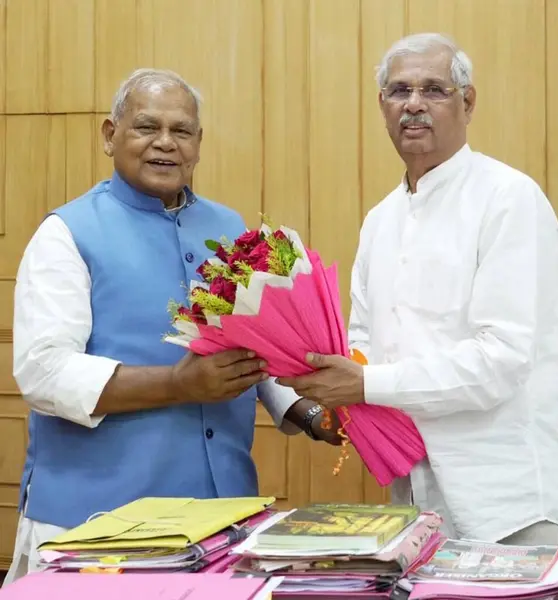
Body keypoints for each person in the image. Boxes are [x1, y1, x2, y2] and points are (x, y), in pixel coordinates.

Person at [4, 68, 336, 586]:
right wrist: (177, 385)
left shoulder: (231, 230)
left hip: (221, 517)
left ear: (199, 144)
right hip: (94, 523)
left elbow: (253, 348)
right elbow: (44, 373)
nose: (165, 143)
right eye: (145, 127)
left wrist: (310, 410)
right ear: (110, 135)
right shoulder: (65, 234)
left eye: (181, 131)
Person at [277, 33, 558, 545]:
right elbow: (366, 340)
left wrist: (364, 385)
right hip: (410, 493)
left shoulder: (509, 199)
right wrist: (330, 386)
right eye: (399, 90)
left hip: (507, 502)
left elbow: (501, 360)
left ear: (468, 101)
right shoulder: (381, 219)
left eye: (434, 89)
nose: (414, 104)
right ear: (382, 105)